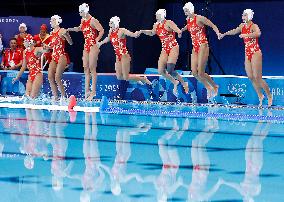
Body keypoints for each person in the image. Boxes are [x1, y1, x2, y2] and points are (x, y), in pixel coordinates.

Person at [219, 9, 273, 107]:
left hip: (255, 52)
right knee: (251, 77)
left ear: (249, 16)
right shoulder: (241, 26)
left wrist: (246, 35)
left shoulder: (253, 26)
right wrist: (224, 34)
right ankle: (260, 96)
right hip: (247, 53)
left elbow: (258, 33)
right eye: (242, 15)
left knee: (258, 77)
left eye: (244, 15)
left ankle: (269, 96)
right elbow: (235, 31)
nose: (243, 17)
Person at [139, 9, 189, 95]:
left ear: (162, 15)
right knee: (161, 70)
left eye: (158, 15)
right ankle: (175, 82)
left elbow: (178, 30)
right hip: (165, 49)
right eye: (156, 15)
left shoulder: (169, 23)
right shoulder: (156, 25)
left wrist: (179, 33)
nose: (156, 16)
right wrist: (142, 31)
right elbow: (151, 33)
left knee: (170, 69)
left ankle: (184, 83)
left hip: (173, 47)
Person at [180, 2, 220, 98]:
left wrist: (218, 33)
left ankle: (215, 86)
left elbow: (212, 25)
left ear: (190, 10)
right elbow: (188, 27)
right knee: (194, 72)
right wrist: (181, 31)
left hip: (203, 45)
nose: (185, 13)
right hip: (195, 47)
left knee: (201, 72)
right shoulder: (188, 20)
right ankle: (208, 87)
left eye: (186, 11)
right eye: (184, 11)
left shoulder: (200, 18)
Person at [97, 16, 151, 85]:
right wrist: (100, 43)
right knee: (119, 77)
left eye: (111, 23)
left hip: (124, 55)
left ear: (115, 23)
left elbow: (133, 35)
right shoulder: (111, 31)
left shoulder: (122, 31)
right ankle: (136, 79)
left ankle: (143, 78)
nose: (109, 25)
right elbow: (108, 38)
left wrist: (138, 33)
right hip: (118, 56)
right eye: (109, 23)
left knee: (126, 77)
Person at [67, 3, 104, 101]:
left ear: (86, 11)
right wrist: (70, 29)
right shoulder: (83, 20)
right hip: (86, 46)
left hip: (93, 46)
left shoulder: (93, 20)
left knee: (92, 68)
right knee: (86, 69)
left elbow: (101, 30)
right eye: (79, 12)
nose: (80, 14)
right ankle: (86, 91)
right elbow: (79, 28)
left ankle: (93, 92)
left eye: (81, 12)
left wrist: (97, 40)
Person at [48, 15, 73, 101]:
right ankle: (56, 97)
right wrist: (46, 47)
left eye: (52, 20)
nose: (51, 22)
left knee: (57, 77)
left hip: (61, 56)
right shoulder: (51, 33)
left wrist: (67, 35)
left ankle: (64, 98)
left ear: (57, 21)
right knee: (50, 77)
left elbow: (70, 43)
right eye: (51, 20)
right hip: (54, 56)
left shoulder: (62, 30)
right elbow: (52, 46)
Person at [13, 34, 45, 98]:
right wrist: (17, 77)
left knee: (32, 97)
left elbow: (44, 50)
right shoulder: (25, 52)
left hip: (38, 74)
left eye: (25, 41)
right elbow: (23, 67)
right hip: (31, 75)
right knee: (27, 97)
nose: (24, 43)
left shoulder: (36, 49)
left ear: (29, 42)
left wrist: (46, 48)